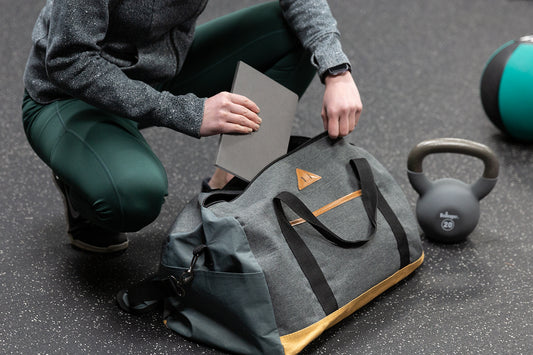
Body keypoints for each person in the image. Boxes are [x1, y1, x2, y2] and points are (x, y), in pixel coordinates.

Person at [22, 0, 363, 253]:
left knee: (295, 32)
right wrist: (189, 112)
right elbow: (69, 60)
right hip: (68, 97)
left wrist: (337, 71)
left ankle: (229, 186)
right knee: (133, 196)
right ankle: (81, 182)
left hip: (161, 72)